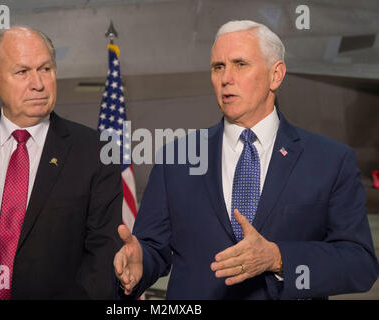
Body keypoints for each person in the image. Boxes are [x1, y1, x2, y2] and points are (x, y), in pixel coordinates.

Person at [114, 20, 379, 299]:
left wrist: (278, 259)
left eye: (240, 64)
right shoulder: (176, 159)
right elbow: (154, 249)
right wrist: (140, 264)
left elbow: (358, 263)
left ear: (276, 75)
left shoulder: (330, 161)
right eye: (218, 67)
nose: (226, 78)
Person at [0, 26, 123, 299]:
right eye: (22, 72)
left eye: (45, 68)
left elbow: (101, 258)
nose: (39, 84)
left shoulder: (96, 152)